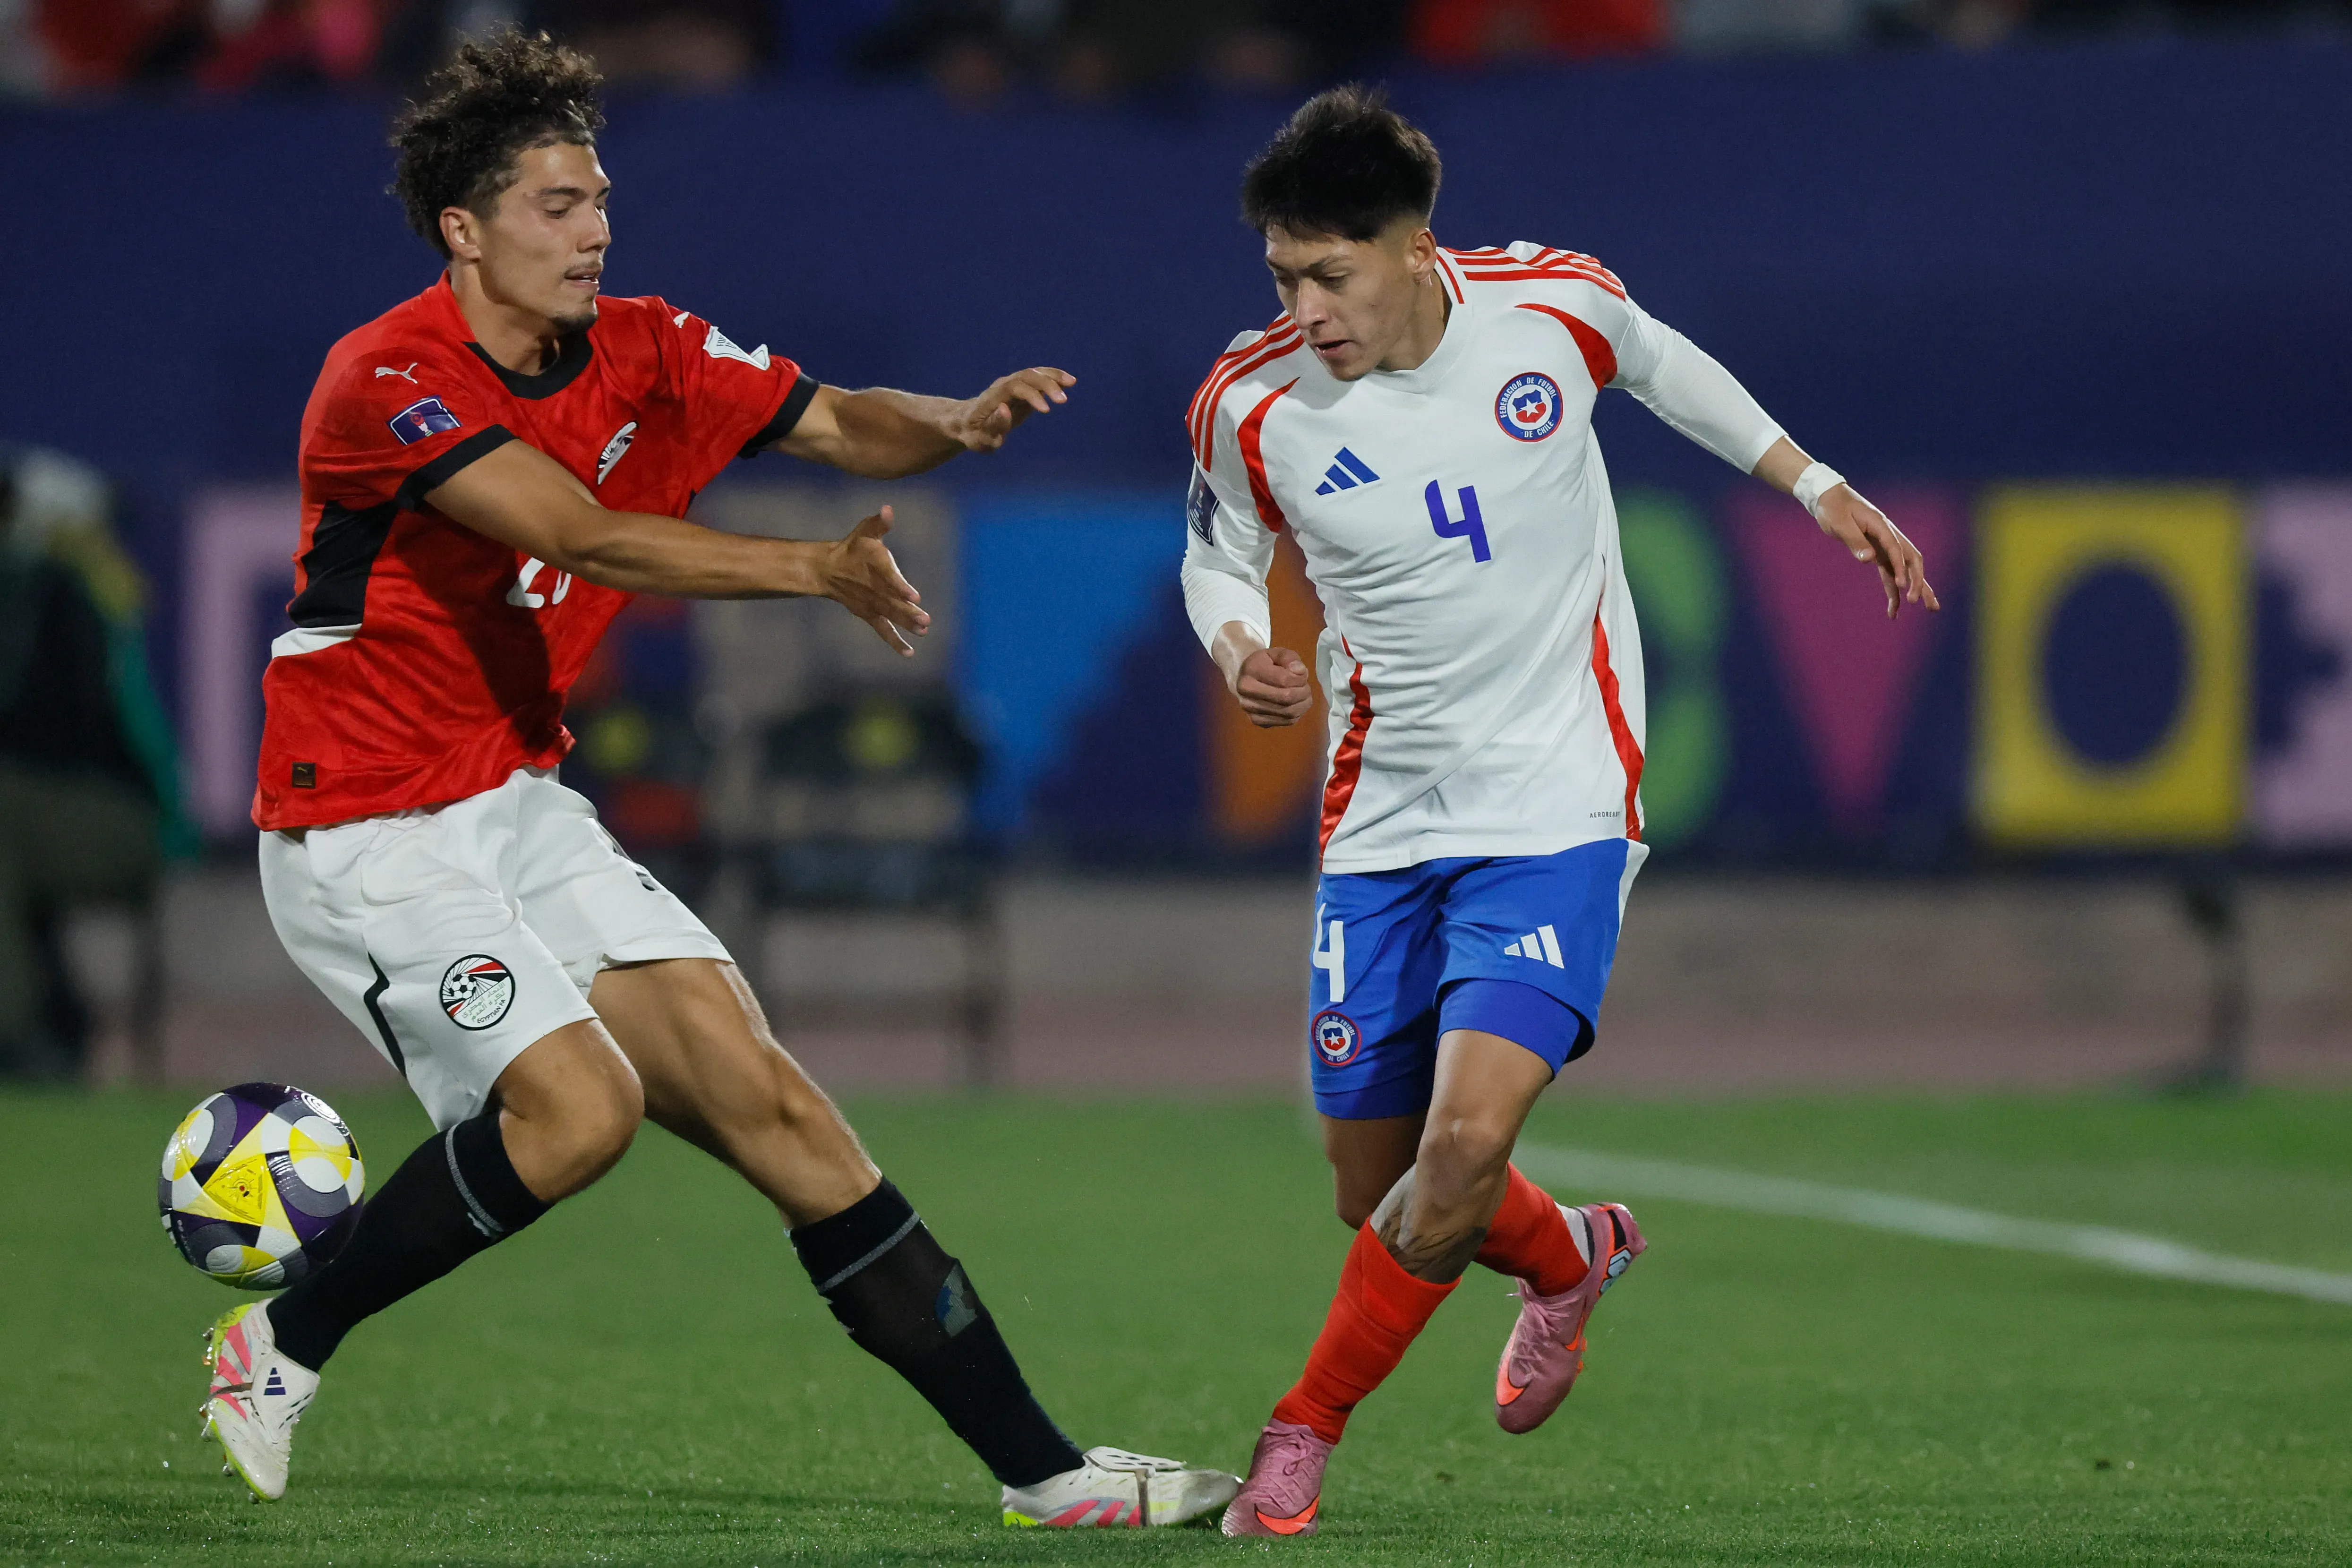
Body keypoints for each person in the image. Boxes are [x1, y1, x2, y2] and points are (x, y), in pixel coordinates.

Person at [199, 28, 1238, 1529]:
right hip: (366, 825)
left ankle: (1049, 1474)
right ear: (464, 229)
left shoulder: (651, 348)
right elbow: (580, 531)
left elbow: (831, 417)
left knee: (780, 1110)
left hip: (517, 801)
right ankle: (280, 1339)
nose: (595, 228)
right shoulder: (384, 380)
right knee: (577, 1115)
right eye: (557, 204)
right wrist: (812, 568)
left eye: (602, 198)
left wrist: (945, 423)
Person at [1180, 86, 1938, 1537]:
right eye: (1282, 274)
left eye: (1329, 274)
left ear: (1414, 247)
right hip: (1381, 819)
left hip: (1559, 799)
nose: (1305, 306)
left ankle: (1303, 1429)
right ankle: (1571, 1254)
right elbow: (1214, 557)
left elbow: (1665, 366)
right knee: (1380, 1188)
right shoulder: (1250, 399)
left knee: (1459, 1153)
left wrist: (1815, 483)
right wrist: (1238, 646)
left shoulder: (1552, 309)